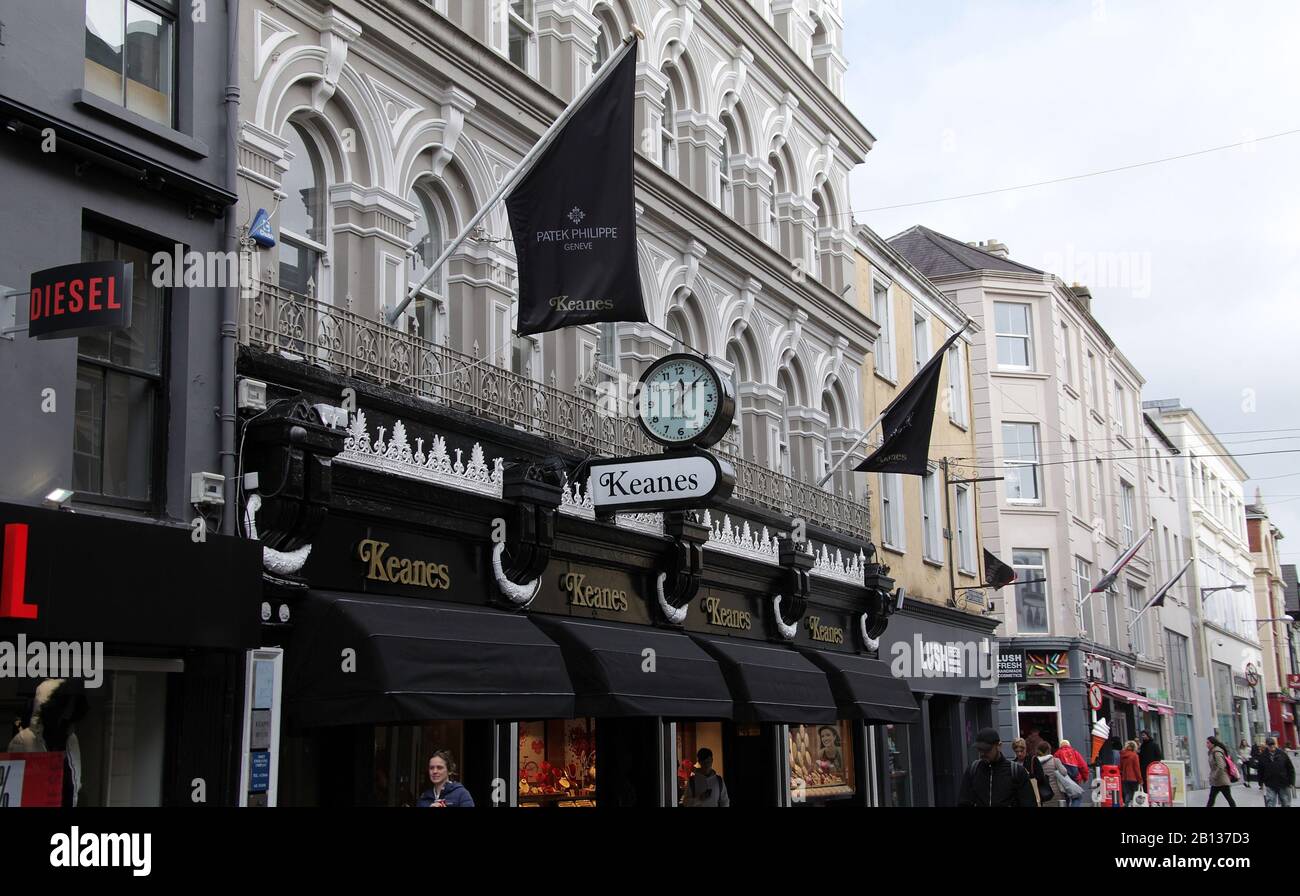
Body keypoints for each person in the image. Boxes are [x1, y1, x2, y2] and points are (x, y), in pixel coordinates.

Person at [959, 728, 1036, 807]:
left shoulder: (1017, 772)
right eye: (979, 749)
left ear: (999, 746)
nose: (982, 753)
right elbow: (963, 802)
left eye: (987, 749)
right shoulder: (973, 770)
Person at [1012, 738, 1053, 806]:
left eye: (1021, 751)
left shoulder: (1033, 760)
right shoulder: (1013, 764)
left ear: (1025, 749)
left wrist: (1028, 776)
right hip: (1018, 799)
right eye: (1017, 751)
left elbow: (1041, 777)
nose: (1019, 754)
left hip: (1032, 797)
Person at [1257, 737, 1296, 808]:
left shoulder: (1282, 754)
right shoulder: (1263, 757)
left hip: (1283, 782)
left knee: (1286, 802)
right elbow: (1260, 771)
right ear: (1267, 745)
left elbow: (1290, 768)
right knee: (1270, 803)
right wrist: (1261, 783)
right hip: (1270, 783)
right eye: (1270, 745)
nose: (1272, 746)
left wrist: (1291, 782)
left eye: (1273, 744)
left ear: (1275, 744)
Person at [1037, 742, 1079, 807]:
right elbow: (1064, 772)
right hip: (1056, 793)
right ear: (1049, 750)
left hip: (1042, 794)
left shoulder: (1036, 763)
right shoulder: (1055, 760)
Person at [1054, 739, 1090, 806]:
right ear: (1069, 745)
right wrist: (1085, 777)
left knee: (1066, 798)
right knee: (1077, 797)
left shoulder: (1057, 754)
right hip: (1076, 779)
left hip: (1065, 780)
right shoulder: (1075, 752)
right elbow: (1083, 766)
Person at [1206, 737, 1237, 807]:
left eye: (1208, 743)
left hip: (1221, 780)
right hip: (1217, 781)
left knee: (1228, 798)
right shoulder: (1212, 751)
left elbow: (1221, 766)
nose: (1206, 744)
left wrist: (1214, 775)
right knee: (1211, 799)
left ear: (1213, 744)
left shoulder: (1216, 752)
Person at [1120, 740, 1142, 806]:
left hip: (1124, 778)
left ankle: (1127, 805)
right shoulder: (1134, 755)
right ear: (1134, 747)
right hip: (1133, 778)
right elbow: (1137, 769)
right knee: (1134, 794)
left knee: (1127, 793)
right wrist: (1140, 780)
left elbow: (1121, 767)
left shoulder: (1122, 755)